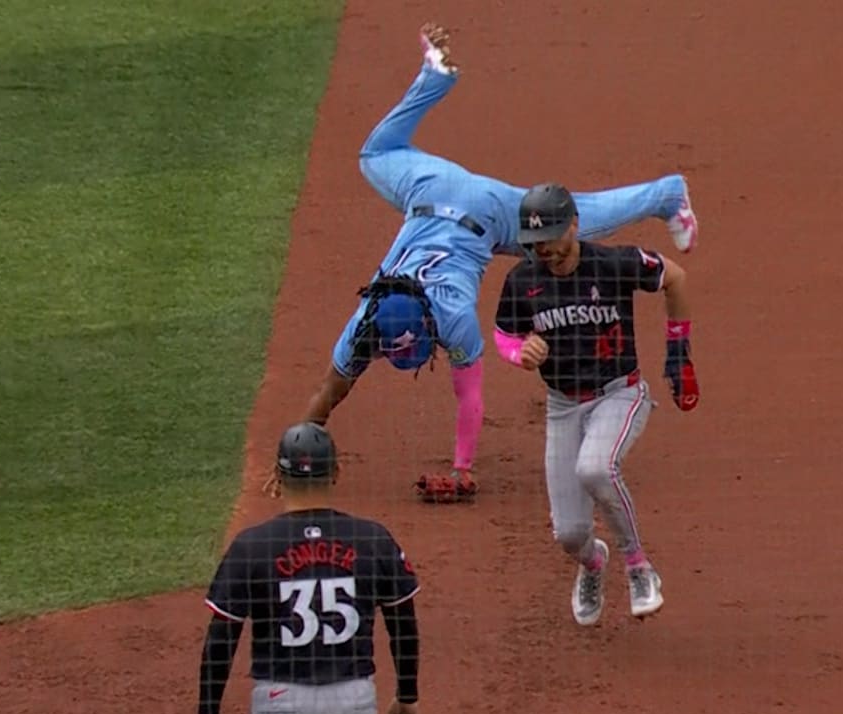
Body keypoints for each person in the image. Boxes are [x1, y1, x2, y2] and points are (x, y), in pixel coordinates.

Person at [300, 22, 700, 503]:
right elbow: (330, 389)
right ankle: (435, 76)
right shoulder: (367, 321)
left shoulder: (452, 318)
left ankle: (666, 195)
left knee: (567, 224)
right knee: (376, 153)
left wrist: (462, 468)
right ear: (376, 335)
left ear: (430, 325)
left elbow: (468, 399)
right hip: (430, 187)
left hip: (483, 210)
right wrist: (301, 444)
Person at [490, 182, 699, 625]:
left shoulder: (612, 264)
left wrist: (678, 350)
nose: (541, 249)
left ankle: (639, 566)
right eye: (533, 241)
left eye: (548, 236)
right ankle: (593, 563)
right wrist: (519, 352)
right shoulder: (522, 281)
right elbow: (506, 334)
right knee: (569, 534)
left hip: (619, 393)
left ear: (573, 226)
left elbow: (674, 276)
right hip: (563, 406)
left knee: (596, 468)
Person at [197, 422, 423, 714]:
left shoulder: (253, 546)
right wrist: (407, 695)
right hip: (353, 698)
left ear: (278, 476)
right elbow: (403, 624)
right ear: (335, 473)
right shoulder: (371, 539)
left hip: (281, 699)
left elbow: (220, 641)